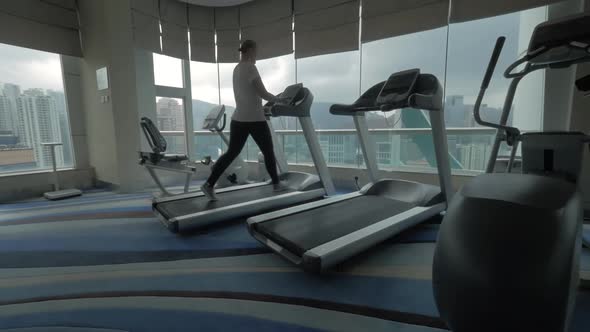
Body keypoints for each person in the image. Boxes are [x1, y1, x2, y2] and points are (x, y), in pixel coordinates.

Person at [200, 40, 287, 201]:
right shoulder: (250, 67)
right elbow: (263, 93)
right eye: (256, 51)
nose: (256, 55)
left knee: (231, 153)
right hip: (254, 119)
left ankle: (209, 184)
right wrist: (280, 100)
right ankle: (276, 184)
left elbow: (248, 94)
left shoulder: (237, 68)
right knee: (268, 151)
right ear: (251, 50)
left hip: (238, 118)